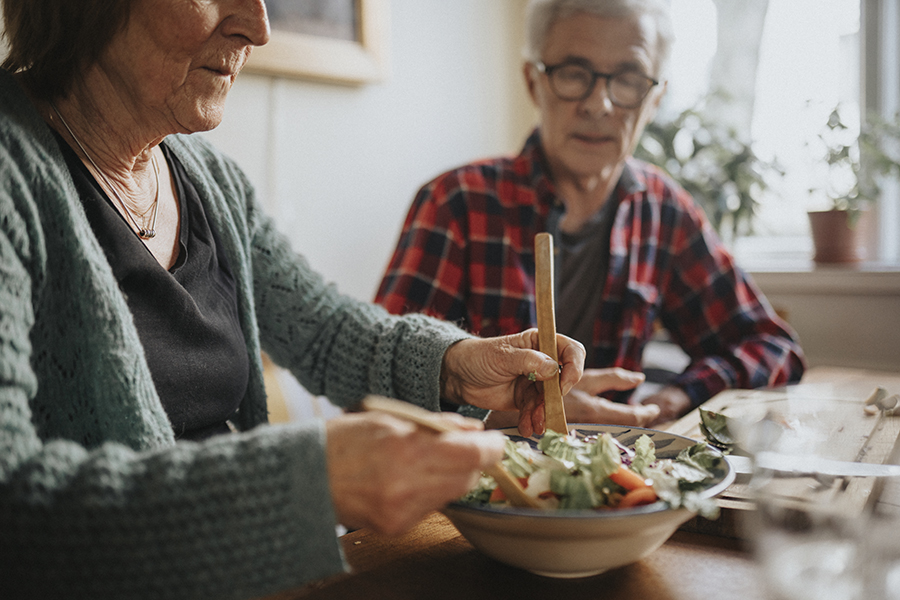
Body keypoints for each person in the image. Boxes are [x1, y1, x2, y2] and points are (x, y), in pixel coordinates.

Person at [0, 1, 587, 598]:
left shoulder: (209, 179)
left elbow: (325, 329)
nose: (258, 26)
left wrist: (458, 367)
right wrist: (307, 482)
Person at [376, 0, 806, 427]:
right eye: (573, 74)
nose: (599, 104)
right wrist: (517, 414)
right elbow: (376, 388)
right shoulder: (456, 203)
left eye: (629, 79)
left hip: (620, 480)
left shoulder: (664, 212)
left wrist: (677, 397)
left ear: (655, 98)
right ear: (533, 82)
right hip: (475, 479)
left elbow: (771, 346)